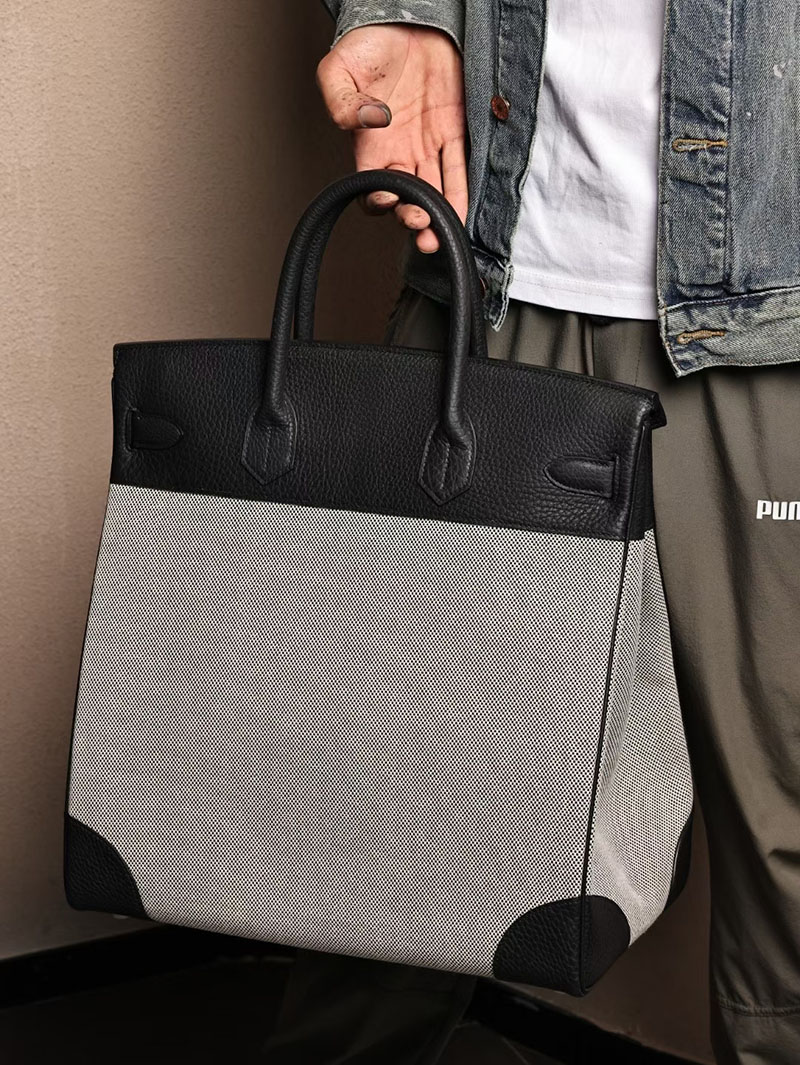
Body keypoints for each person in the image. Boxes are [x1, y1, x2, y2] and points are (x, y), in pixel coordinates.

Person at [263, 4, 800, 1064]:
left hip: (774, 318)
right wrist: (404, 12)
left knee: (786, 821)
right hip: (490, 276)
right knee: (393, 798)